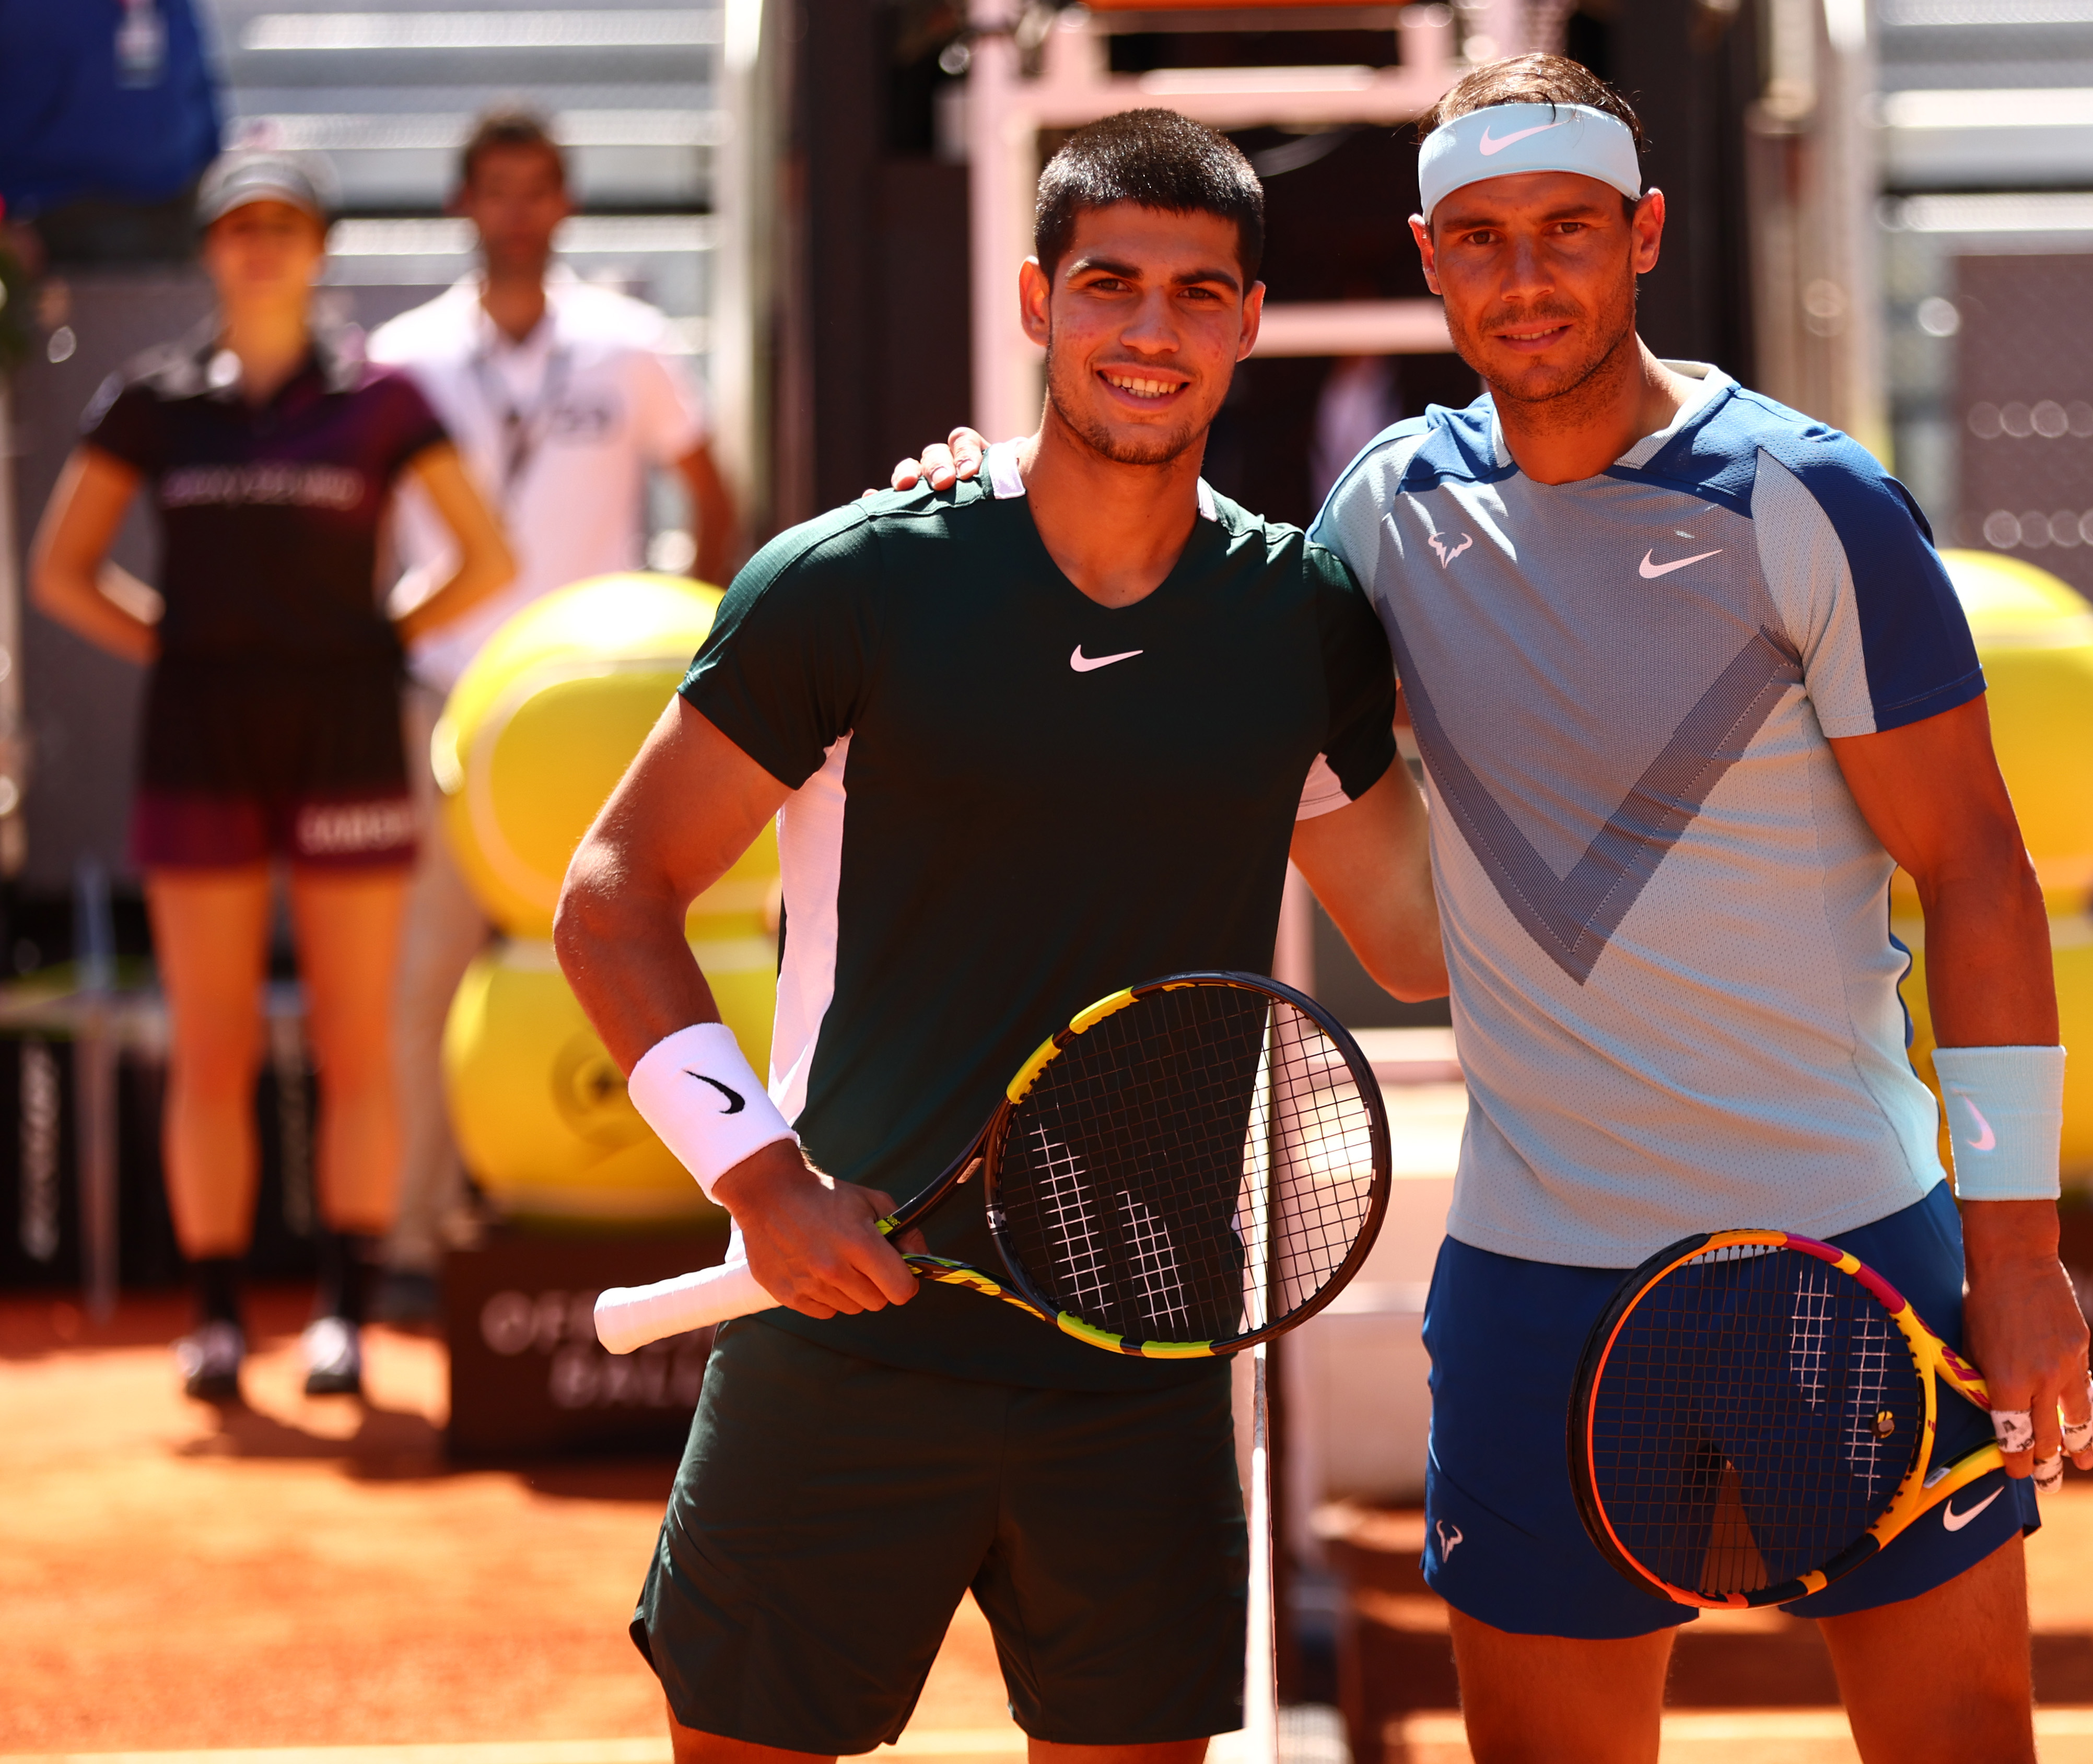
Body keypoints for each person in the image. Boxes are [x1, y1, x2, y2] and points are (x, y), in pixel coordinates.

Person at [898, 54, 2091, 1764]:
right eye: (1478, 238)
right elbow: (1192, 613)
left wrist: (2022, 1250)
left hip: (1844, 1241)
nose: (1523, 278)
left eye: (1564, 231)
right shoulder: (1385, 510)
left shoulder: (1807, 501)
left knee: (1957, 1737)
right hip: (1537, 1274)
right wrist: (990, 499)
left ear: (1643, 236)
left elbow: (1975, 870)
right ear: (1425, 256)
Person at [553, 110, 1443, 1763]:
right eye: (1109, 284)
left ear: (1250, 322)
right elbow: (613, 897)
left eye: (1196, 293)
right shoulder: (853, 584)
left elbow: (1417, 944)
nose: (1149, 331)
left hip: (1148, 1357)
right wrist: (759, 1182)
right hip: (840, 1354)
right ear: (1037, 303)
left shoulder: (1298, 623)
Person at [26, 150, 516, 1400]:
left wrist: (383, 638)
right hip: (201, 739)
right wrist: (181, 646)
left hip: (347, 732)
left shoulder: (381, 398)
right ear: (209, 248)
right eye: (239, 228)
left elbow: (484, 555)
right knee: (213, 1041)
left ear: (318, 248)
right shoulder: (153, 402)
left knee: (354, 1039)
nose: (260, 249)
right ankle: (215, 1316)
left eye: (283, 228)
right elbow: (62, 570)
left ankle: (343, 1312)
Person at [368, 108, 736, 1317]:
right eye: (496, 191)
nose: (517, 212)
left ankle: (677, 1215)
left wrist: (682, 637)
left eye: (537, 190)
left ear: (564, 204)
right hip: (453, 709)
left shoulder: (625, 343)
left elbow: (707, 490)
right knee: (429, 978)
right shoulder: (403, 354)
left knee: (637, 956)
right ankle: (424, 1241)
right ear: (461, 206)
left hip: (601, 711)